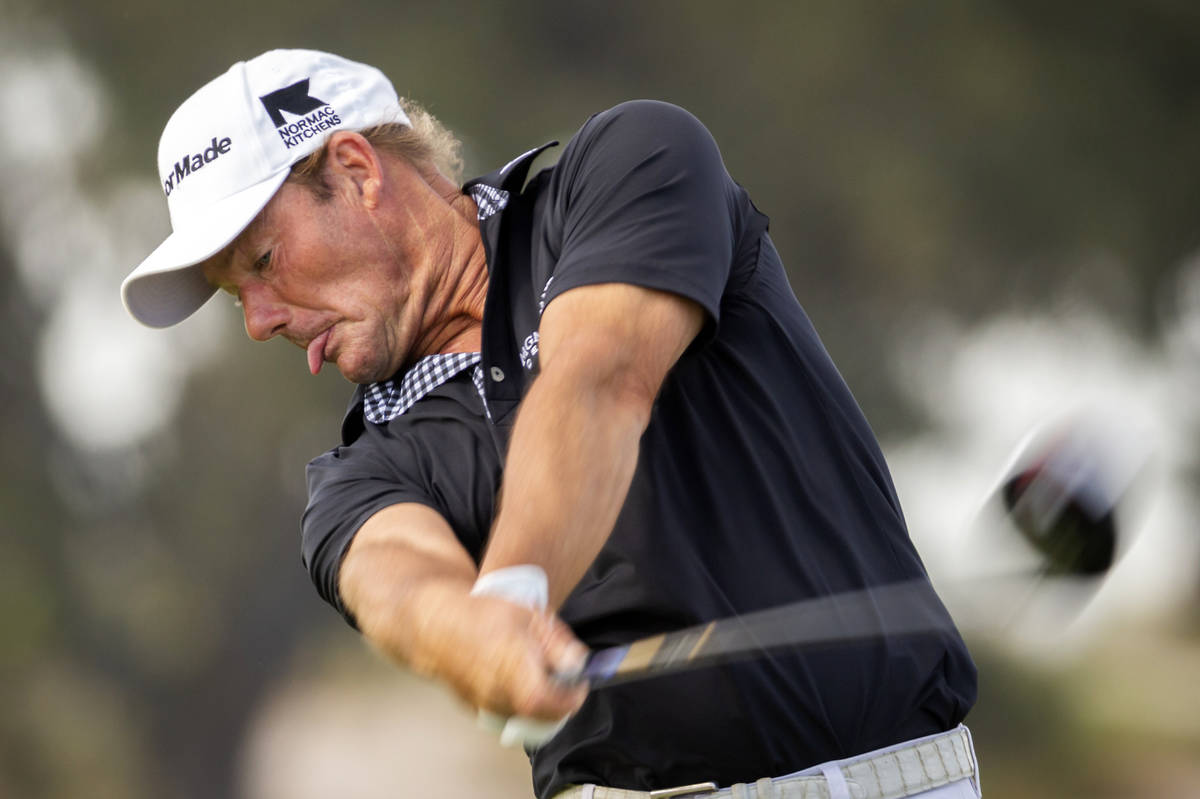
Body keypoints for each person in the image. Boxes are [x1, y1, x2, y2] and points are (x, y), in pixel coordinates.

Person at [121, 49, 980, 799]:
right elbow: (398, 578)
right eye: (237, 294)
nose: (258, 320)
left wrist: (512, 587)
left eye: (264, 261)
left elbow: (599, 379)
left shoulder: (629, 165)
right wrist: (469, 636)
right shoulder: (358, 472)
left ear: (355, 170)